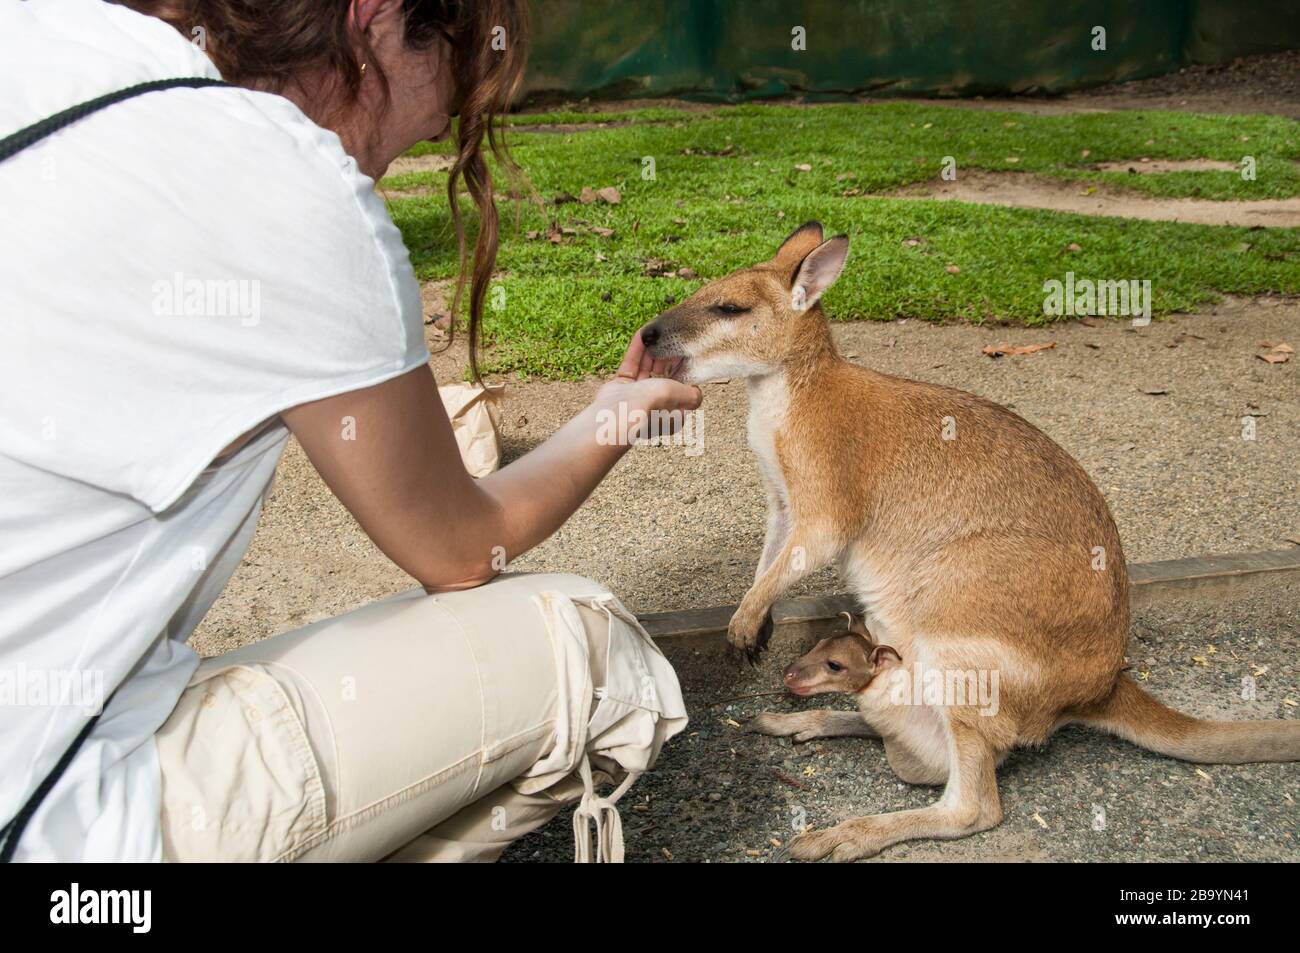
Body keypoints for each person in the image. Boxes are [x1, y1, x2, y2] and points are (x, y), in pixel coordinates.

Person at [0, 0, 702, 862]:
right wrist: (614, 415)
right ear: (376, 18)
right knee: (592, 648)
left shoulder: (47, 33)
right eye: (425, 121)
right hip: (50, 818)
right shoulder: (289, 181)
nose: (384, 163)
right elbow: (460, 548)